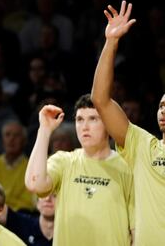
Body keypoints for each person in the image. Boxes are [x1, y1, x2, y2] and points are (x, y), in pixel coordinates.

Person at [91, 1, 165, 245]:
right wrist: (111, 42)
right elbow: (100, 100)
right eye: (161, 106)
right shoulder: (142, 145)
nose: (164, 109)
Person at [24, 96, 134, 246]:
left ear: (109, 124)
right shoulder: (64, 161)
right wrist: (44, 130)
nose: (84, 126)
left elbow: (136, 229)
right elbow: (34, 183)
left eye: (93, 119)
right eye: (80, 119)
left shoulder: (127, 167)